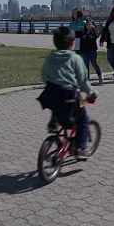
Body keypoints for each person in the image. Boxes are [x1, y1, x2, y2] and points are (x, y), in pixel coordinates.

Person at [37, 26, 97, 158]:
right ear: (72, 43)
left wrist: (51, 83)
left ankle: (54, 120)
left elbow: (44, 74)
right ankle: (81, 148)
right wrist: (91, 92)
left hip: (51, 92)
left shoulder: (50, 57)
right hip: (69, 94)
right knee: (83, 119)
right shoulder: (75, 58)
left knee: (57, 101)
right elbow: (82, 80)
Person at [80, 18, 104, 84]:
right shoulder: (83, 33)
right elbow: (81, 43)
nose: (89, 26)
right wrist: (81, 51)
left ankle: (100, 75)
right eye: (87, 24)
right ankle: (86, 79)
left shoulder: (94, 32)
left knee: (94, 64)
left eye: (90, 24)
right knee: (86, 66)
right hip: (85, 52)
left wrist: (93, 29)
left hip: (92, 51)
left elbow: (97, 36)